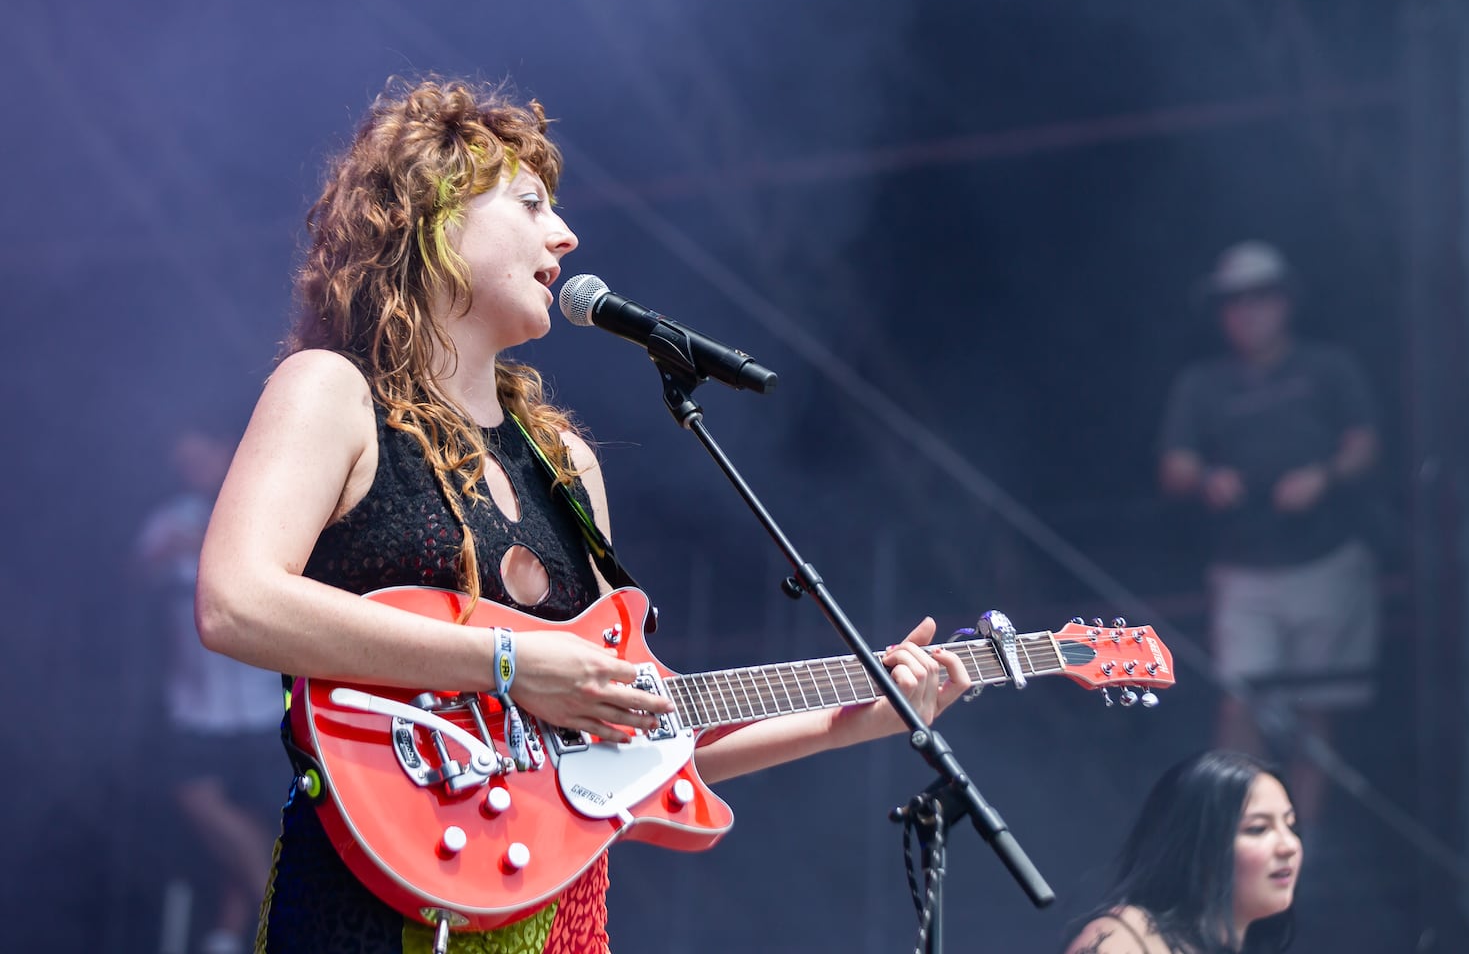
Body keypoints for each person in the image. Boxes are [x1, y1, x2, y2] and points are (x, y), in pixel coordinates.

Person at [193, 75, 971, 954]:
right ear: (433, 215)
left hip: (547, 914)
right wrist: (509, 661)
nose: (564, 234)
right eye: (529, 203)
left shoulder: (566, 465)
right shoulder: (332, 392)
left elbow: (630, 734)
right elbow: (235, 602)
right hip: (365, 906)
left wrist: (862, 715)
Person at [1157, 240, 1381, 830]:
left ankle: (1297, 848)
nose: (1246, 312)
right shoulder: (1203, 383)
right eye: (1233, 301)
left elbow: (1365, 446)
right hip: (1243, 572)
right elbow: (1173, 464)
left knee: (1316, 715)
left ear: (1284, 303)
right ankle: (1239, 841)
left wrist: (1322, 476)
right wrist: (1208, 477)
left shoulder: (1328, 367)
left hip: (1326, 564)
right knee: (1240, 709)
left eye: (1258, 298)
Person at [136, 427, 284, 954]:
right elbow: (141, 577)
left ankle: (231, 932)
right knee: (205, 807)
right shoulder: (168, 519)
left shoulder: (262, 509)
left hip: (265, 705)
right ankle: (275, 915)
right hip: (197, 709)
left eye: (202, 457)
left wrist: (206, 542)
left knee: (271, 819)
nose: (193, 469)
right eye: (185, 461)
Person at [1062, 750, 1302, 954]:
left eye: (1290, 825)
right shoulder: (1125, 937)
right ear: (1197, 844)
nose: (1289, 845)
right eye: (1258, 828)